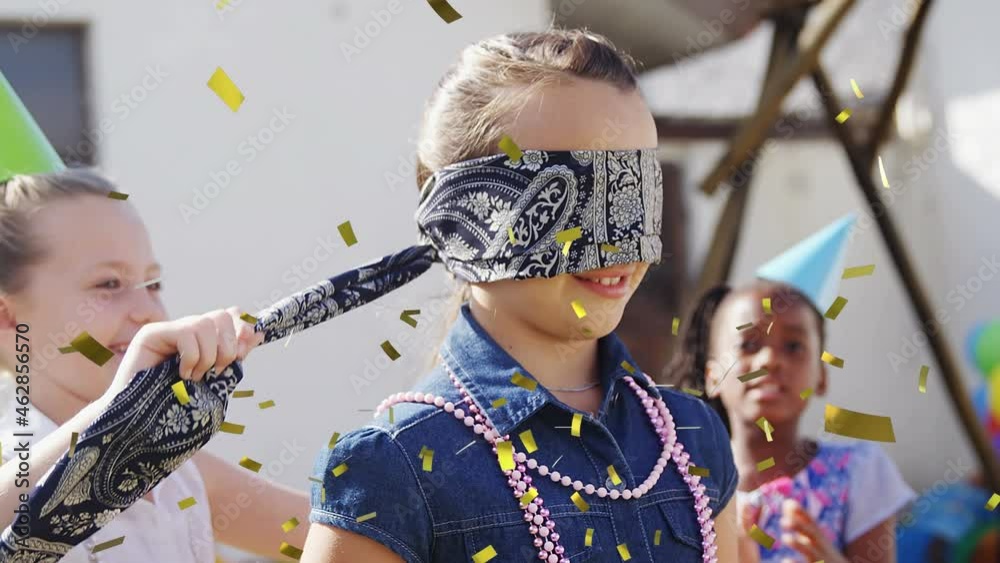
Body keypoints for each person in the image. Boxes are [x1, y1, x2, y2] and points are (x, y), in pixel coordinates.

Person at [300, 29, 745, 563]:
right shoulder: (396, 466)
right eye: (579, 193)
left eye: (638, 192)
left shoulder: (692, 438)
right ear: (468, 217)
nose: (620, 244)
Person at [0, 169, 310, 561]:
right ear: (8, 318)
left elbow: (351, 543)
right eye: (108, 284)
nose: (148, 312)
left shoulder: (179, 470)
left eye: (153, 284)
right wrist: (114, 417)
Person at [667, 216, 916, 563]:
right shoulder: (683, 489)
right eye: (749, 344)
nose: (771, 359)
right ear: (712, 377)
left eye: (794, 347)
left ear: (821, 377)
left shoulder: (858, 473)